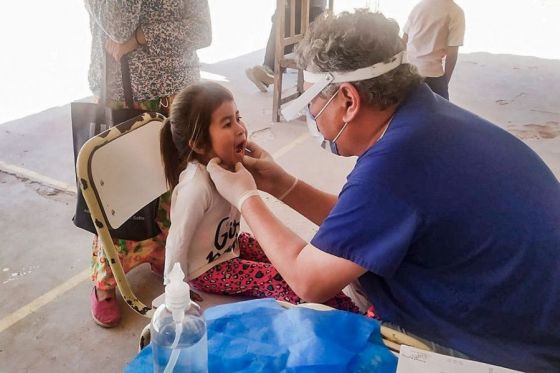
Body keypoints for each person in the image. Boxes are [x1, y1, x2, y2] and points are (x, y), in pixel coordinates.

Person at [206, 10, 560, 372]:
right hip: (527, 315)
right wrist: (281, 185)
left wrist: (245, 198)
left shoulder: (398, 163)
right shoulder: (425, 119)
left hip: (509, 349)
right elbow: (365, 227)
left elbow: (307, 279)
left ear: (347, 100)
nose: (310, 114)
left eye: (311, 101)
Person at [159, 81, 358, 313]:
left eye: (237, 117)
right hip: (208, 269)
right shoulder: (196, 186)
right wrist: (175, 286)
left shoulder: (231, 168)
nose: (240, 129)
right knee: (280, 279)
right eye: (226, 124)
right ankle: (349, 316)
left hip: (230, 247)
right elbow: (177, 239)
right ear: (199, 144)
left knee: (296, 258)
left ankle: (345, 308)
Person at [84, 0, 211, 328]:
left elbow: (202, 31)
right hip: (125, 93)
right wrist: (137, 34)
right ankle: (106, 279)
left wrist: (142, 37)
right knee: (119, 192)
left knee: (178, 190)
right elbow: (118, 24)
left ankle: (168, 259)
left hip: (180, 93)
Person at [245, 0, 327, 92]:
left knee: (285, 15)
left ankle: (269, 69)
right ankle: (268, 70)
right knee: (284, 14)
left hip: (313, 17)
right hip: (302, 14)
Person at [402, 0, 465, 99]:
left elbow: (403, 41)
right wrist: (445, 82)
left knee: (405, 110)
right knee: (440, 111)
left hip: (408, 71)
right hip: (431, 74)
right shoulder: (455, 12)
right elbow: (452, 54)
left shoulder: (419, 6)